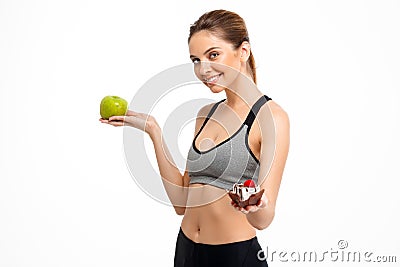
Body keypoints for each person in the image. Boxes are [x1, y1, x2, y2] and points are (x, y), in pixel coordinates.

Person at [100, 9, 290, 267]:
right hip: (186, 250)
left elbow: (264, 220)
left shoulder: (271, 117)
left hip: (233, 256)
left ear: (243, 51)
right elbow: (181, 202)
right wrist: (153, 130)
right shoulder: (205, 114)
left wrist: (256, 205)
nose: (203, 69)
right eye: (195, 60)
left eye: (213, 55)